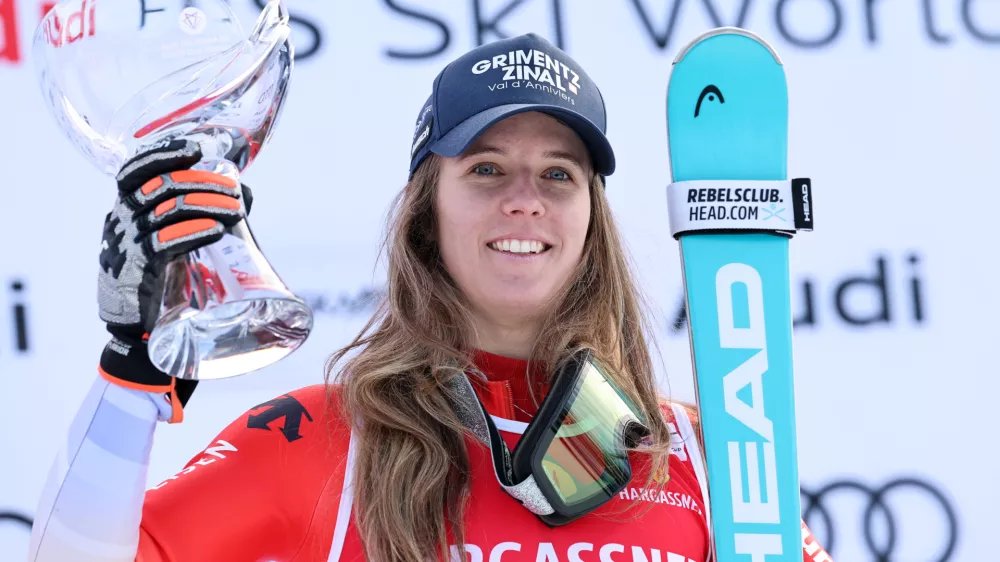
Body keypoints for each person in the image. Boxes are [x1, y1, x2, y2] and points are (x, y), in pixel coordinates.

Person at [27, 33, 832, 562]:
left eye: (559, 173)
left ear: (592, 218)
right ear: (426, 214)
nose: (525, 199)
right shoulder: (325, 440)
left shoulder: (703, 454)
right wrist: (131, 373)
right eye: (485, 168)